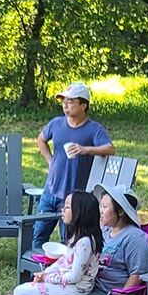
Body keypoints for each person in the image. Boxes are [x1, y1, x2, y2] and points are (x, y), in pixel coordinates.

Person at [30, 81, 115, 246]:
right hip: (50, 190)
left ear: (83, 105)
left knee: (69, 240)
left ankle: (64, 270)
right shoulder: (56, 124)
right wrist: (50, 161)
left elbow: (110, 149)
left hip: (74, 197)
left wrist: (85, 150)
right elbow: (41, 139)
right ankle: (37, 271)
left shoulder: (93, 129)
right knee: (38, 236)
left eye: (70, 102)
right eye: (64, 102)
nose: (65, 106)